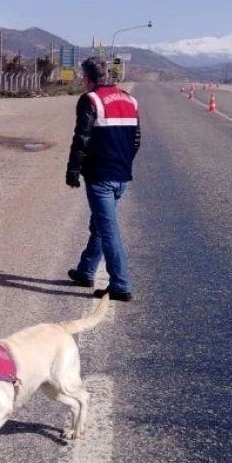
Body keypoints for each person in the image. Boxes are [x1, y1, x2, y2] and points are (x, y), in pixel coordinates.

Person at [65, 57, 140, 302]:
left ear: (87, 78)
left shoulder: (90, 100)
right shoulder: (130, 100)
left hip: (100, 177)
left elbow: (82, 139)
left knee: (108, 230)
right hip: (122, 176)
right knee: (100, 224)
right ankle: (86, 270)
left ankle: (120, 284)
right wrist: (123, 163)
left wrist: (73, 170)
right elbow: (136, 141)